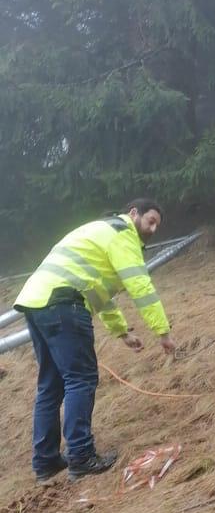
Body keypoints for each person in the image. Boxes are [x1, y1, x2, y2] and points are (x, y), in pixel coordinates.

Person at [14, 198, 176, 482]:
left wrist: (122, 332)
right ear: (133, 213)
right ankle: (81, 457)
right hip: (63, 302)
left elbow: (98, 291)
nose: (152, 229)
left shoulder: (101, 232)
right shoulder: (122, 233)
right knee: (81, 378)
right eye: (150, 221)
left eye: (157, 226)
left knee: (50, 385)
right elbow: (140, 286)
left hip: (35, 301)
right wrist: (163, 332)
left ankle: (46, 461)